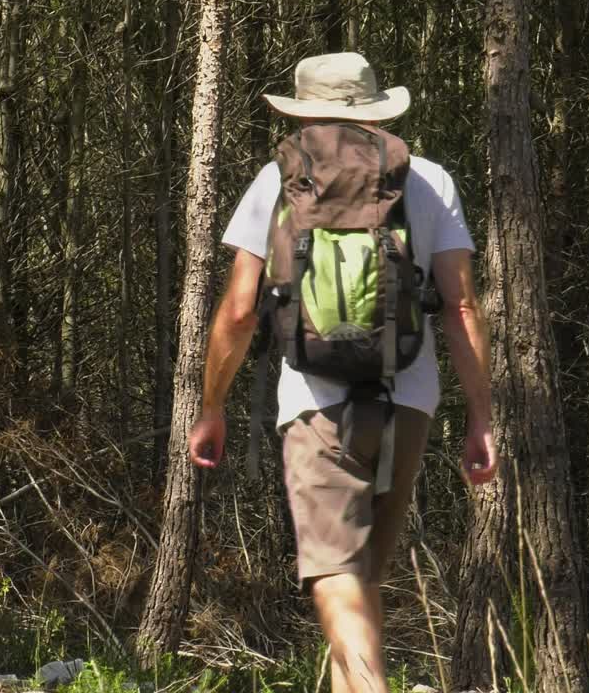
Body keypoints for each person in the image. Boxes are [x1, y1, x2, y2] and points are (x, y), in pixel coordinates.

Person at [187, 52, 497, 693]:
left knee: (334, 578)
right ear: (374, 109)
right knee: (361, 583)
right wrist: (481, 416)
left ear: (304, 111)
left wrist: (211, 405)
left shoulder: (277, 182)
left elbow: (241, 310)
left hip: (315, 401)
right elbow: (462, 303)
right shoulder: (430, 180)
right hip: (408, 394)